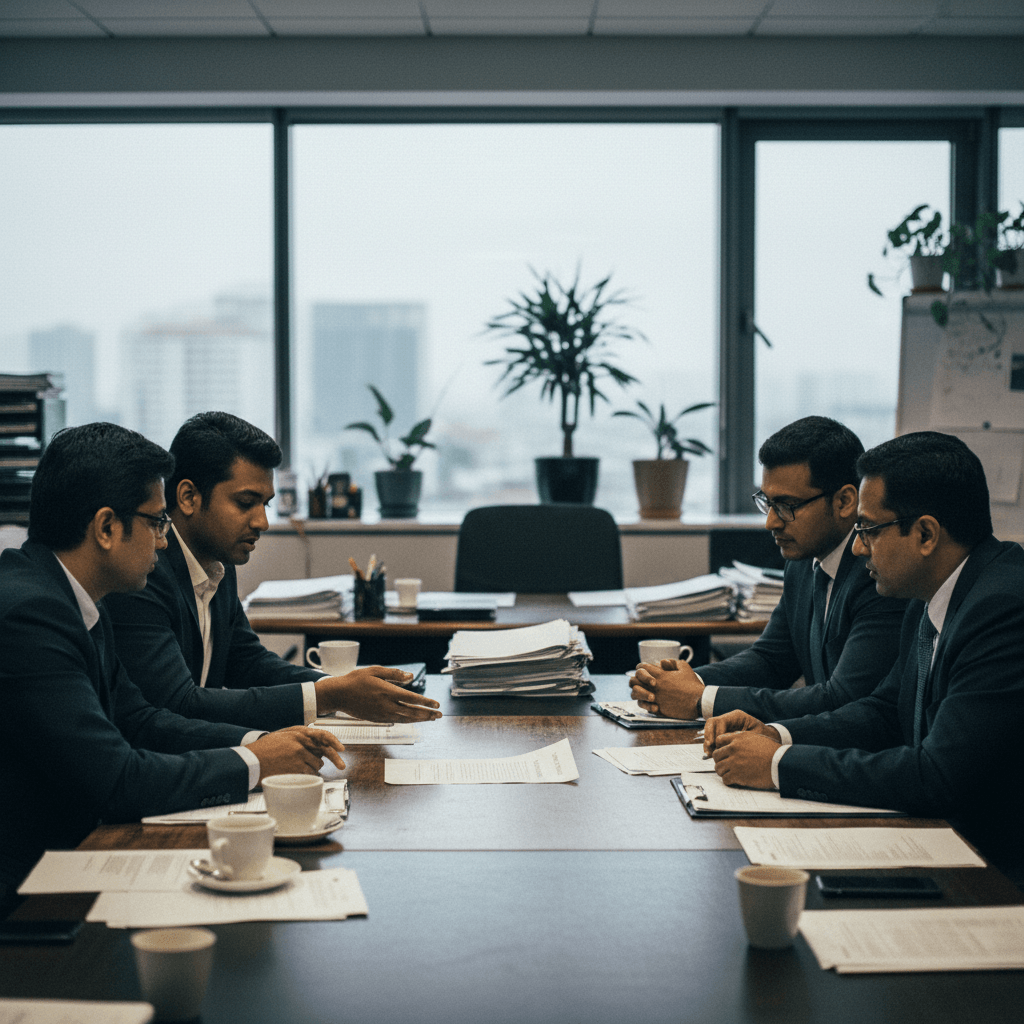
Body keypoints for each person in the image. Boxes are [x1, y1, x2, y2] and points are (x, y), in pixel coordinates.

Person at [0, 423, 345, 903]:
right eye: (157, 522)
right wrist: (253, 761)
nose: (164, 542)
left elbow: (140, 721)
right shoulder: (30, 615)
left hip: (74, 852)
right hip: (28, 890)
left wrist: (264, 744)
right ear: (106, 528)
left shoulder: (74, 598)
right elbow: (116, 780)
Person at [704, 431, 1024, 874]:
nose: (857, 546)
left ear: (926, 534)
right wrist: (775, 734)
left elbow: (937, 775)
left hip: (994, 872)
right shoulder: (928, 593)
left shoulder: (1004, 608)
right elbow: (883, 711)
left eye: (869, 529)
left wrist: (779, 764)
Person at [105, 411, 441, 730]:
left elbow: (246, 663)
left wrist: (338, 686)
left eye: (264, 504)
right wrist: (330, 695)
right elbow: (176, 704)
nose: (262, 522)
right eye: (245, 503)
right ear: (189, 496)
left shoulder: (218, 563)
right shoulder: (142, 575)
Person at [630, 416, 906, 721]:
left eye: (787, 506)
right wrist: (677, 682)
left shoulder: (879, 573)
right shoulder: (802, 562)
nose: (771, 522)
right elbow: (771, 660)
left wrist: (701, 699)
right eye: (768, 503)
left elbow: (842, 698)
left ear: (844, 501)